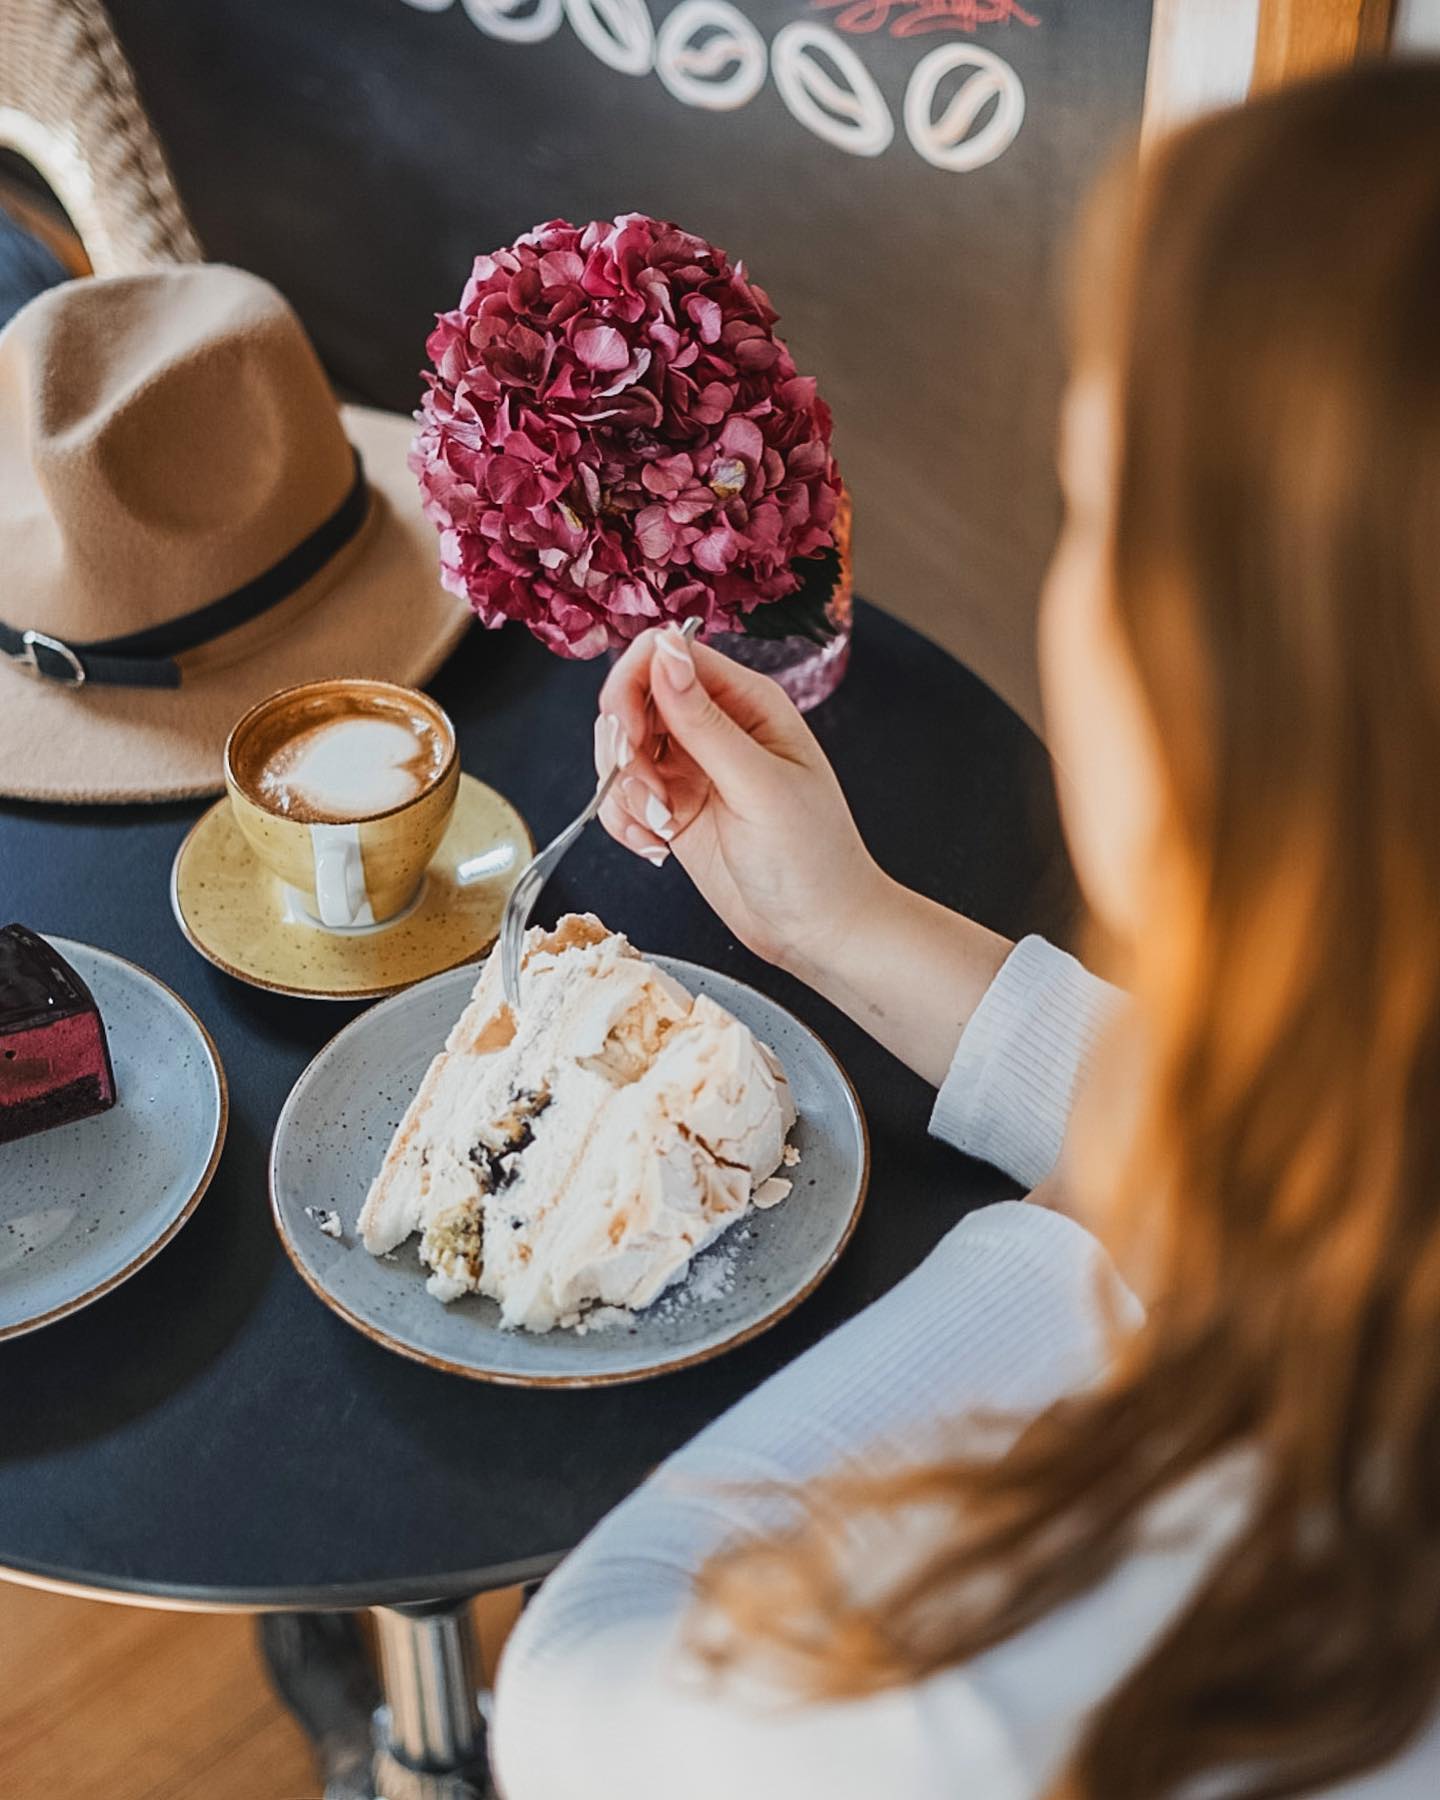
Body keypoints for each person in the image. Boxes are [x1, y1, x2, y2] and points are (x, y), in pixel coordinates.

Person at [491, 62, 1440, 1800]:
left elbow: (580, 1691)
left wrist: (1094, 1223)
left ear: (1235, 699)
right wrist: (843, 924)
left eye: (1096, 516)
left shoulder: (984, 1711)